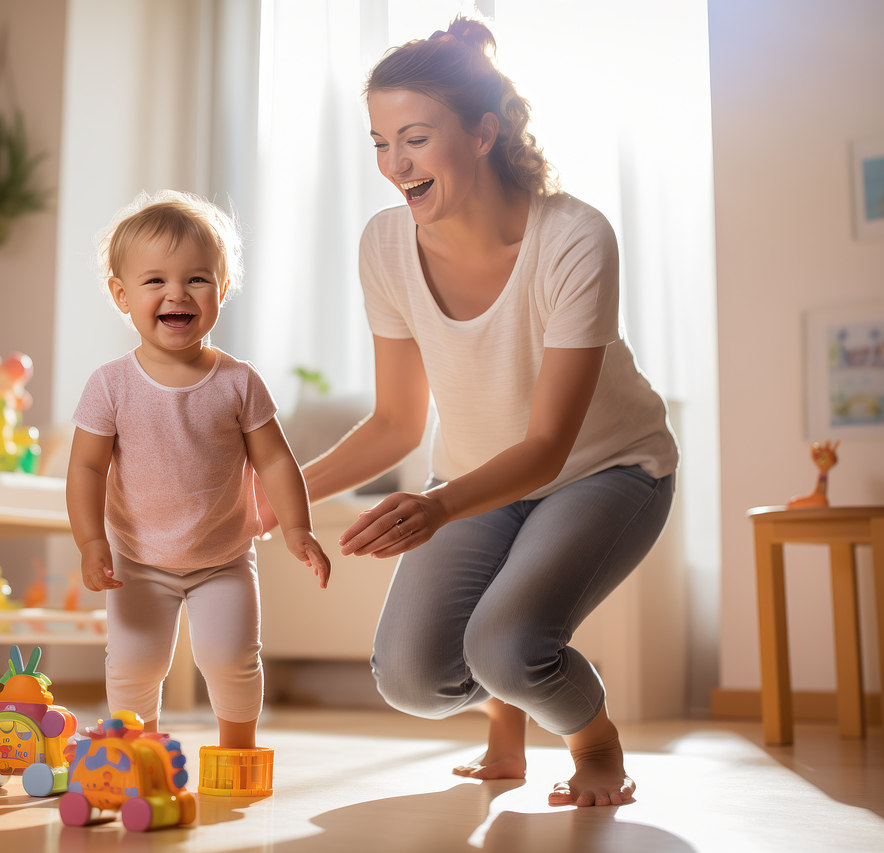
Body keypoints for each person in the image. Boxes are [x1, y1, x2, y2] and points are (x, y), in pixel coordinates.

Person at [259, 16, 677, 807]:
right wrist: (280, 492)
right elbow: (395, 422)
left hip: (607, 469)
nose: (394, 165)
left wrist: (437, 506)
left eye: (413, 138)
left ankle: (593, 740)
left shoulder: (574, 238)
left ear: (484, 133)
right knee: (411, 678)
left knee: (507, 645)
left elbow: (550, 446)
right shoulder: (385, 246)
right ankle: (504, 715)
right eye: (380, 142)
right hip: (477, 476)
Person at [67, 190, 331, 751]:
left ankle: (238, 752)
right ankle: (135, 756)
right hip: (136, 561)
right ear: (121, 295)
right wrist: (92, 541)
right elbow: (86, 469)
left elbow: (277, 459)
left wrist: (296, 526)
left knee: (231, 658)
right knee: (134, 666)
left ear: (223, 288)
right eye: (154, 281)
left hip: (224, 558)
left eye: (197, 279)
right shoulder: (110, 385)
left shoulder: (239, 382)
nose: (176, 294)